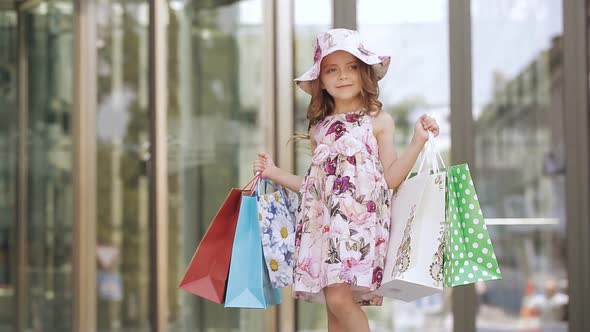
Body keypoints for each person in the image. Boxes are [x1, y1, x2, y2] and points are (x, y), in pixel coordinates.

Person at [252, 29, 440, 332]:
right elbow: (315, 188)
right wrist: (274, 173)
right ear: (321, 80)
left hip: (358, 226)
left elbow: (390, 177)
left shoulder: (379, 120)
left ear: (364, 72)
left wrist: (417, 142)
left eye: (351, 67)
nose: (342, 76)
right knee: (333, 307)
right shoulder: (320, 128)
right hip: (322, 226)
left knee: (339, 299)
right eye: (332, 70)